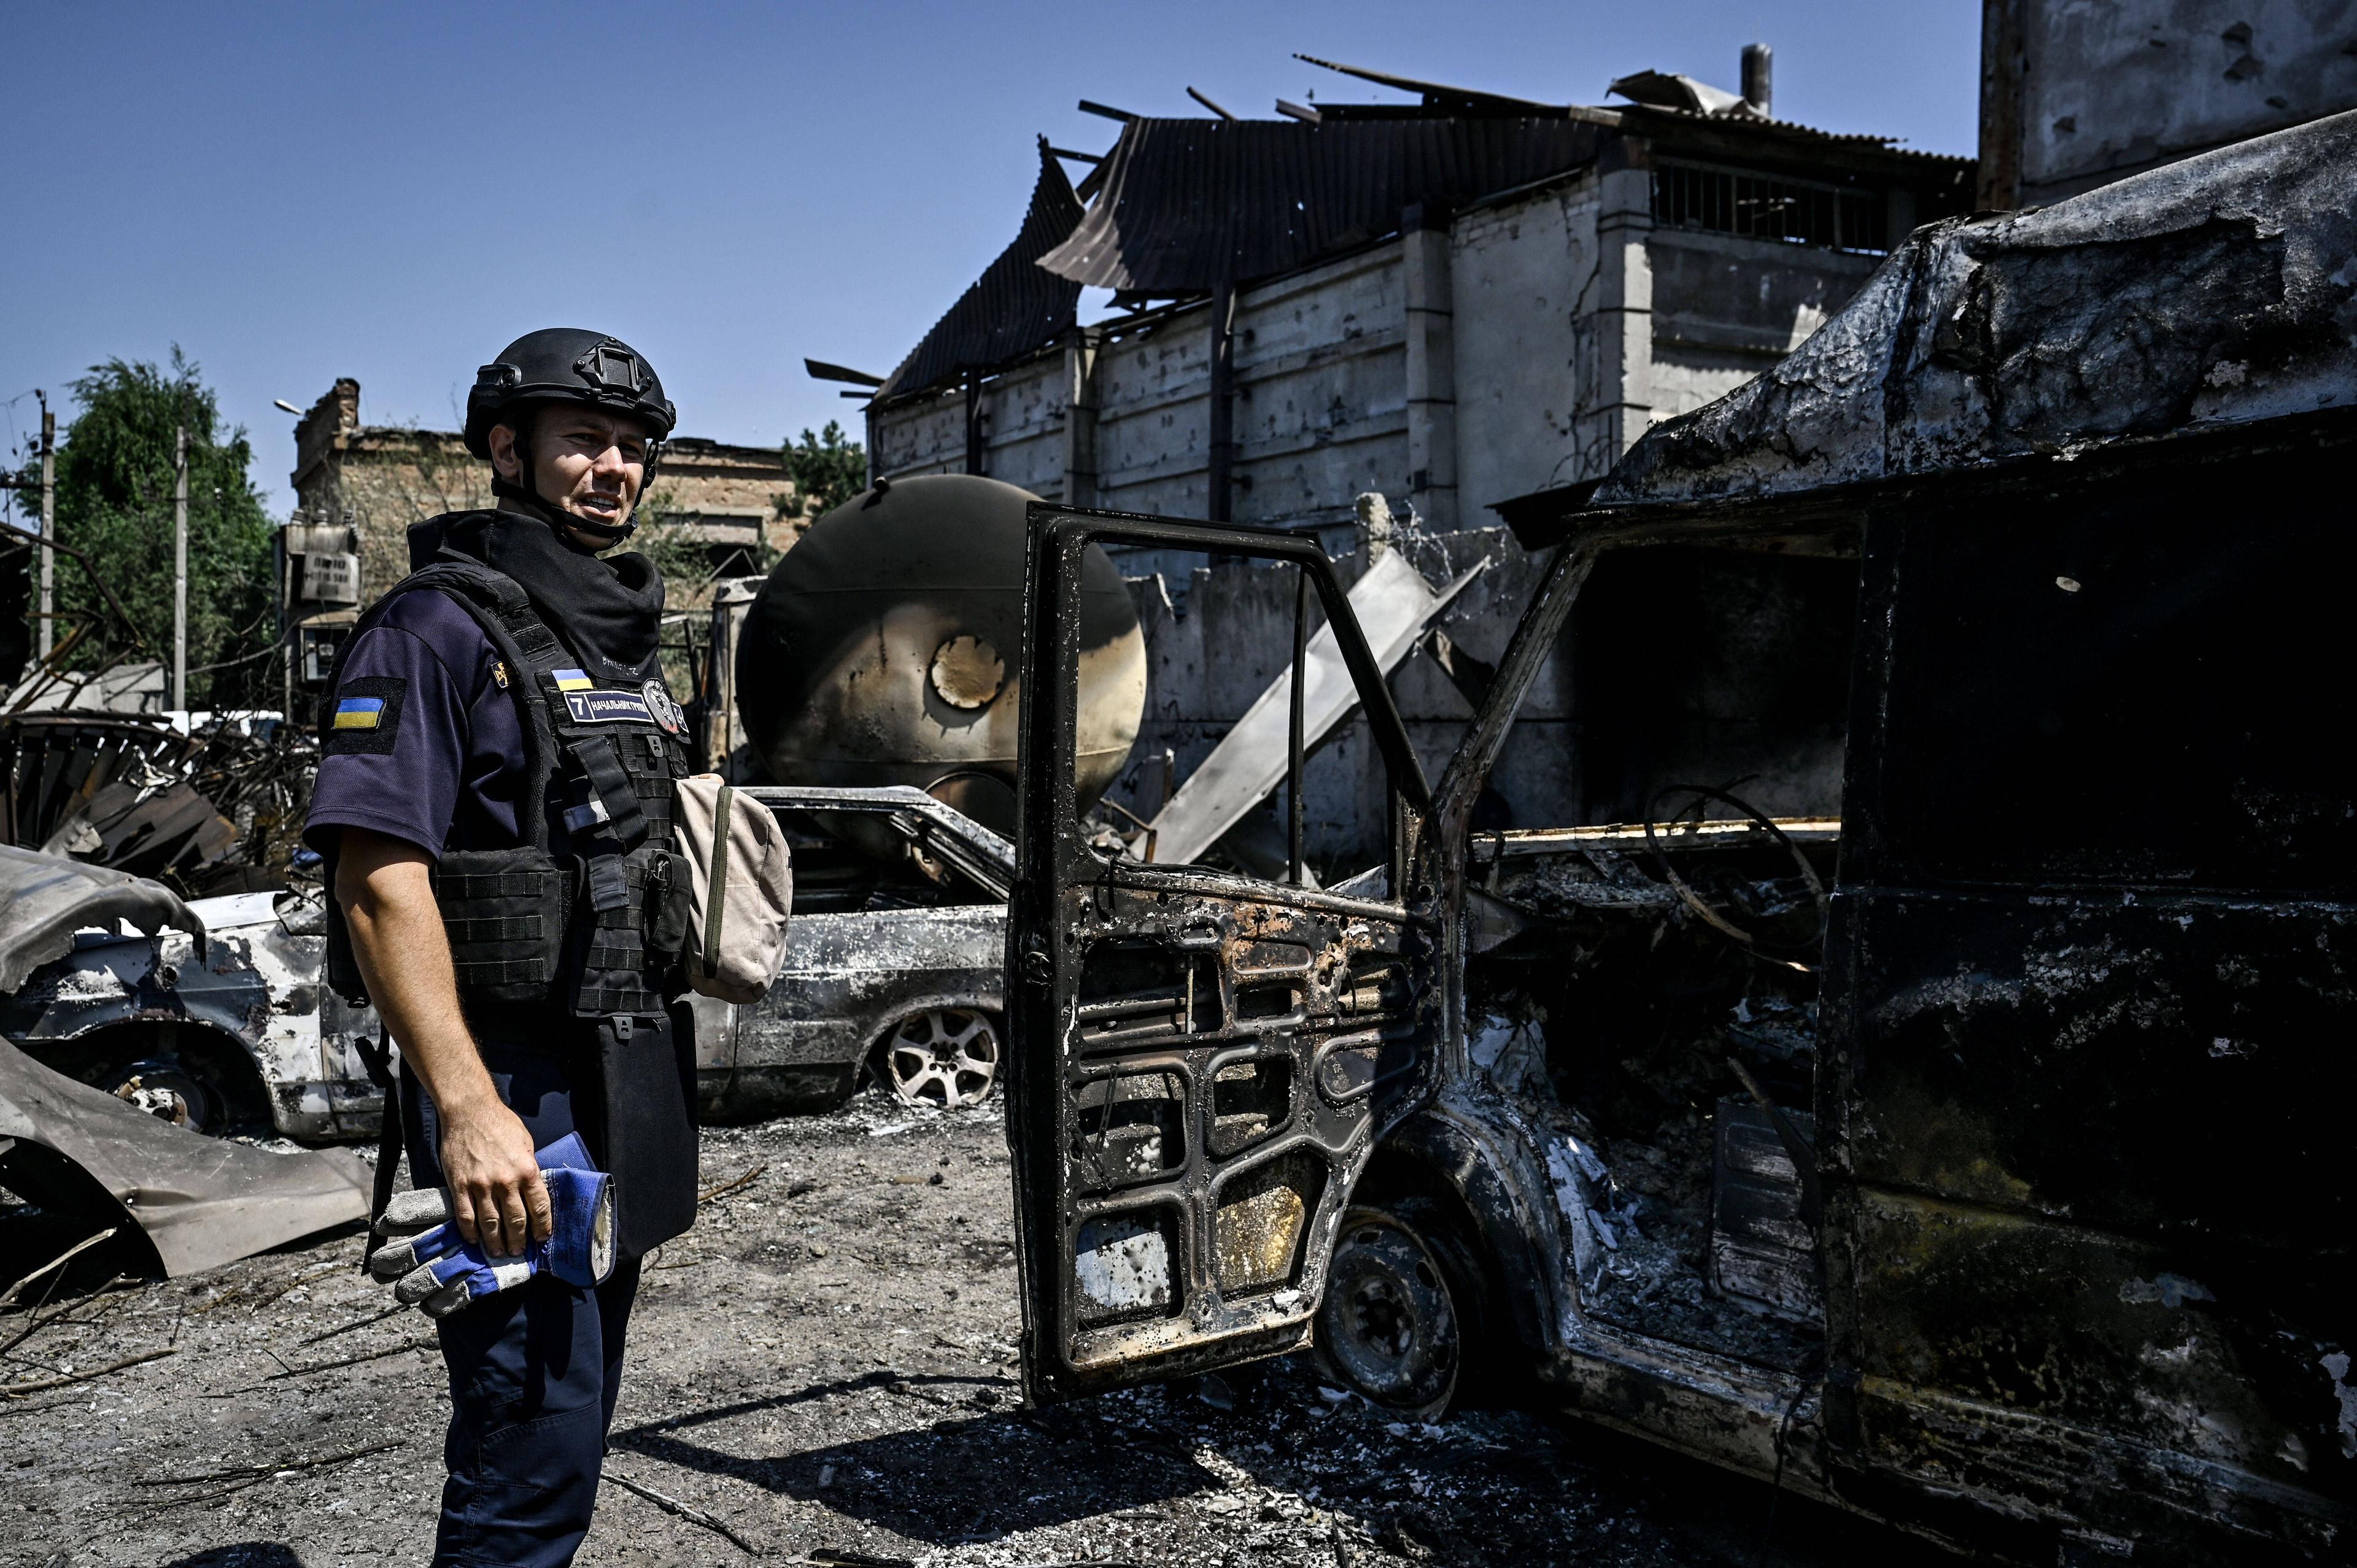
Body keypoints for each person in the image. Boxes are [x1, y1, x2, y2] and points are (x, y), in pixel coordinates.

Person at [305, 328, 701, 1567]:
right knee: (528, 1442)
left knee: (569, 1415)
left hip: (618, 1070)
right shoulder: (430, 632)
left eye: (632, 449)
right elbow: (377, 884)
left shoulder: (609, 641)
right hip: (509, 1081)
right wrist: (469, 1107)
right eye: (583, 440)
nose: (613, 468)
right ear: (505, 449)